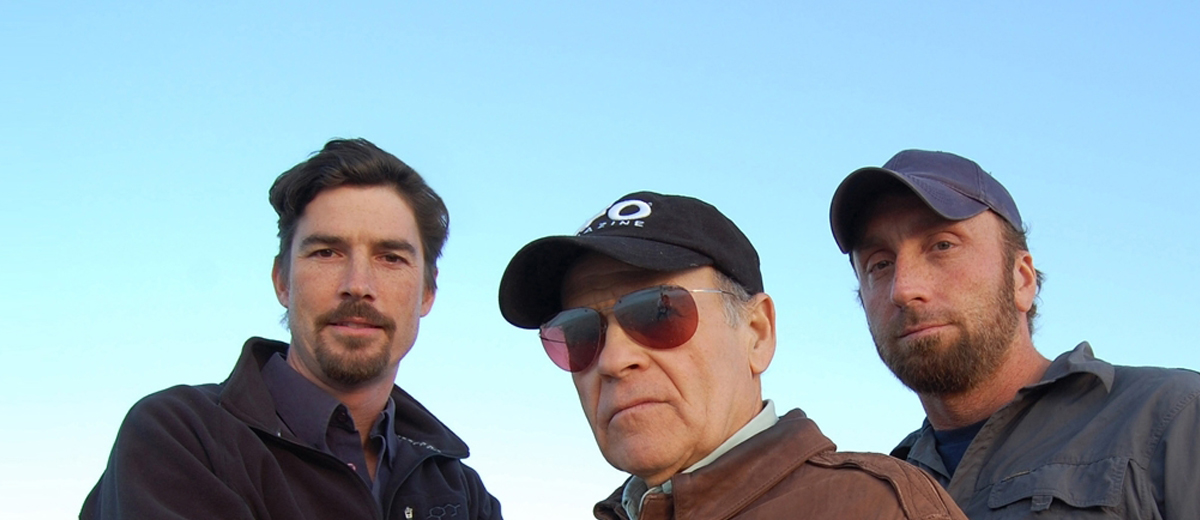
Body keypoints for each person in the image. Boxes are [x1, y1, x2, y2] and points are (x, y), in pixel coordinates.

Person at [82, 139, 502, 519]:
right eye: (326, 253)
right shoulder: (181, 437)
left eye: (391, 258)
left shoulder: (463, 491)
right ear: (282, 281)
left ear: (427, 293)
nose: (358, 284)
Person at [499, 191, 966, 520]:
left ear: (757, 334)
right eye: (578, 333)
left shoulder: (878, 510)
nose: (613, 360)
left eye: (658, 312)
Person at [829, 149, 1200, 518]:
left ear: (1021, 279)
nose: (903, 288)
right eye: (880, 264)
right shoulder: (880, 491)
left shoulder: (1172, 418)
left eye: (942, 245)